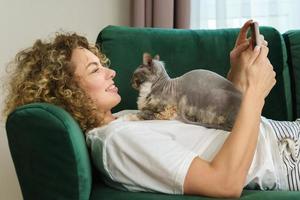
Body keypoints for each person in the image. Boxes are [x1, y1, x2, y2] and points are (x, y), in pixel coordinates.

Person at [3, 20, 300, 198]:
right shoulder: (117, 141)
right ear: (67, 90)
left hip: (283, 136)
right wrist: (256, 95)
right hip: (289, 158)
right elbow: (225, 183)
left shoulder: (123, 120)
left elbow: (215, 130)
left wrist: (239, 77)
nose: (111, 73)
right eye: (95, 70)